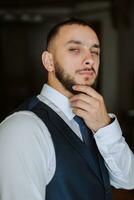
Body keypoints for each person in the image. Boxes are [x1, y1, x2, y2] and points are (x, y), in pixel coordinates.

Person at [0, 18, 134, 200]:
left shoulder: (96, 118)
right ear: (49, 61)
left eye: (95, 51)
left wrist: (104, 126)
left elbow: (127, 180)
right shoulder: (23, 128)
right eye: (75, 49)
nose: (90, 60)